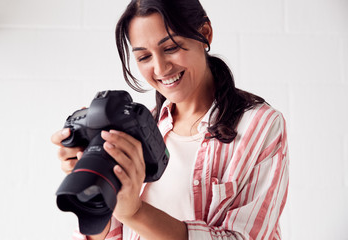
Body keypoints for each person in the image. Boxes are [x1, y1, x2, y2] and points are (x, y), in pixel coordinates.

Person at [51, 0, 289, 239]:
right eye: (144, 57)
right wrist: (92, 179)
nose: (161, 68)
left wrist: (135, 212)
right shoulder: (137, 129)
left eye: (171, 47)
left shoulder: (260, 125)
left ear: (205, 33)